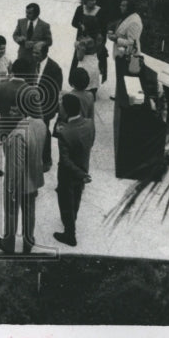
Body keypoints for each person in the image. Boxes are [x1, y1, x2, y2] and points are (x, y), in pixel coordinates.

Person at [0, 75, 46, 255]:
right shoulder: (40, 124)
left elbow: (15, 166)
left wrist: (10, 189)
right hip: (34, 179)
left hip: (18, 183)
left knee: (11, 212)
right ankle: (28, 242)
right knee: (30, 212)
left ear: (22, 111)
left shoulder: (17, 135)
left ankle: (8, 243)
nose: (10, 113)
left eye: (14, 110)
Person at [52, 82, 96, 247]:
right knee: (77, 196)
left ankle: (70, 234)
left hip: (69, 172)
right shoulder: (90, 124)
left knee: (65, 200)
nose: (60, 109)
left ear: (66, 110)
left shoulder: (65, 131)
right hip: (83, 165)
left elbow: (65, 160)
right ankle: (72, 219)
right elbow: (91, 142)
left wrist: (80, 174)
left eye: (61, 106)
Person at [109, 0, 144, 161]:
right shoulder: (127, 18)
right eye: (121, 4)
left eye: (124, 4)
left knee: (126, 82)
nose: (120, 6)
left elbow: (132, 42)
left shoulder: (134, 21)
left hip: (128, 57)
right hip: (121, 55)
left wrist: (117, 39)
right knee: (120, 81)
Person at [32, 41, 64, 173]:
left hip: (44, 107)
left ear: (45, 53)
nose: (34, 55)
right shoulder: (33, 63)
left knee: (44, 133)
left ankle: (46, 160)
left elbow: (55, 91)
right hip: (31, 104)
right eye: (33, 52)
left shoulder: (54, 68)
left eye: (37, 53)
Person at [72, 0, 107, 88]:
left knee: (93, 65)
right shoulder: (80, 9)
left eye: (95, 0)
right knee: (80, 61)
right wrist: (80, 25)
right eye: (91, 0)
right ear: (85, 0)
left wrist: (101, 43)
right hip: (82, 40)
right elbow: (73, 23)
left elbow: (104, 28)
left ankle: (92, 86)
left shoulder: (100, 11)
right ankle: (78, 83)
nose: (93, 2)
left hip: (95, 42)